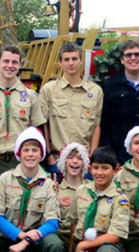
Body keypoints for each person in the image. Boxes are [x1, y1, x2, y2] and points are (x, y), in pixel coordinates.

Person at [0, 45, 45, 228]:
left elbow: (38, 129)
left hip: (23, 161)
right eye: (6, 61)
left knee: (23, 210)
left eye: (14, 62)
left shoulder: (30, 96)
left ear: (20, 65)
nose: (10, 66)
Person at [65, 146, 130, 252]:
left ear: (115, 170)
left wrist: (85, 245)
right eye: (95, 167)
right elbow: (73, 223)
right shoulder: (81, 191)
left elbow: (115, 236)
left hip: (105, 245)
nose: (99, 173)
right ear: (90, 168)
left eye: (105, 168)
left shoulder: (120, 199)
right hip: (82, 248)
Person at [39, 42, 103, 175]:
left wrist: (92, 157)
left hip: (84, 161)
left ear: (81, 61)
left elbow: (97, 125)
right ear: (60, 63)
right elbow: (43, 124)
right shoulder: (49, 90)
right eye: (66, 59)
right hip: (57, 160)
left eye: (74, 58)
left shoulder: (95, 91)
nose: (71, 63)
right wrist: (49, 156)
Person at [99, 39, 139, 164]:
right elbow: (105, 123)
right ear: (122, 60)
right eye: (128, 55)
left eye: (137, 54)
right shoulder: (110, 86)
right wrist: (109, 155)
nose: (133, 58)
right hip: (119, 154)